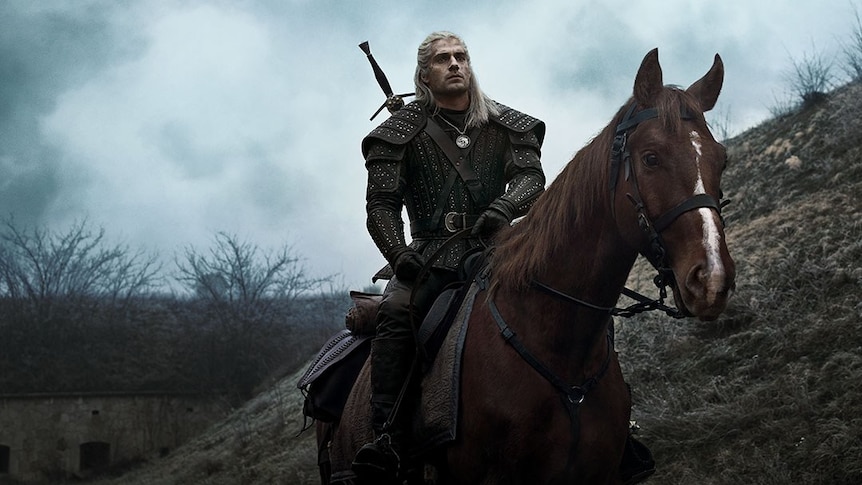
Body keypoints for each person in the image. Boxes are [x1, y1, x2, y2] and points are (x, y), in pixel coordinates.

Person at [352, 31, 546, 481]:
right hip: (429, 257)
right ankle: (387, 437)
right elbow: (380, 207)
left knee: (564, 292)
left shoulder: (505, 124)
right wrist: (399, 254)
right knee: (398, 312)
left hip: (499, 249)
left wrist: (504, 206)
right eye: (443, 59)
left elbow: (531, 178)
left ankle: (609, 420)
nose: (455, 64)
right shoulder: (398, 134)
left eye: (461, 57)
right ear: (425, 73)